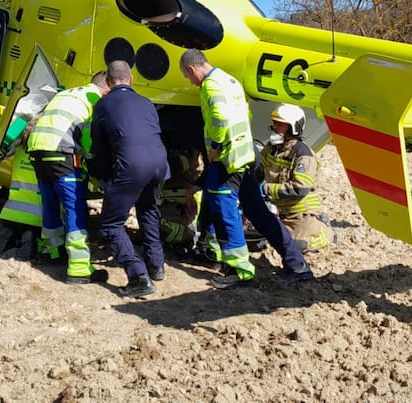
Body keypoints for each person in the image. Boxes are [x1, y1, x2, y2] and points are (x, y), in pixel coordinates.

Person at [179, 48, 313, 289]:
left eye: (189, 77)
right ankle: (296, 264)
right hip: (244, 157)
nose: (191, 82)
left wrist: (216, 147)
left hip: (226, 161)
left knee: (225, 213)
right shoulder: (230, 81)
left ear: (192, 69)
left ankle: (238, 271)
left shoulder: (210, 86)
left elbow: (219, 117)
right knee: (259, 212)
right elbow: (246, 113)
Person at [88, 61, 167, 298]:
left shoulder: (103, 104)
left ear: (109, 84)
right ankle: (156, 266)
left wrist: (103, 177)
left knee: (111, 226)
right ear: (131, 79)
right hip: (159, 164)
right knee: (148, 209)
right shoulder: (146, 102)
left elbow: (99, 147)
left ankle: (138, 276)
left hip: (131, 165)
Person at [27, 71, 111, 285]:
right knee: (75, 209)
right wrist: (94, 159)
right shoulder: (94, 99)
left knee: (49, 204)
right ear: (106, 90)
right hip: (62, 153)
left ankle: (51, 251)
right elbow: (88, 137)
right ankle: (80, 269)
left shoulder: (68, 94)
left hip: (37, 150)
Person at [261, 103, 335, 253]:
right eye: (274, 123)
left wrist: (265, 189)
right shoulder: (273, 148)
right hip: (279, 210)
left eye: (280, 124)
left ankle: (325, 231)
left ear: (292, 128)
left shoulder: (303, 154)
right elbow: (258, 167)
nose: (275, 127)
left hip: (299, 213)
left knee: (295, 246)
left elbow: (299, 188)